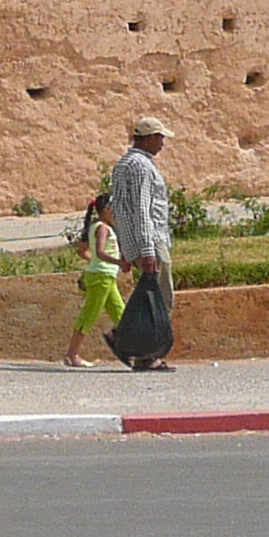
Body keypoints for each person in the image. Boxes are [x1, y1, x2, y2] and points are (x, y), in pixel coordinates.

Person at [103, 115, 176, 370]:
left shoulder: (123, 164)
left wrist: (128, 247)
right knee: (160, 298)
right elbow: (142, 210)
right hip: (151, 240)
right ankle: (133, 343)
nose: (163, 144)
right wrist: (147, 250)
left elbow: (120, 209)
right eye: (161, 138)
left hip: (137, 241)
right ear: (151, 138)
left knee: (147, 296)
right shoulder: (142, 167)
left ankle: (142, 351)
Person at [64, 193, 123, 368]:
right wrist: (119, 262)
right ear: (106, 209)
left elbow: (84, 252)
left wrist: (95, 263)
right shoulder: (103, 228)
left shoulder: (95, 227)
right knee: (89, 315)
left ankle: (133, 351)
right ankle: (72, 354)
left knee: (121, 315)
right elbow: (100, 252)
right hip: (101, 277)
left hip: (104, 276)